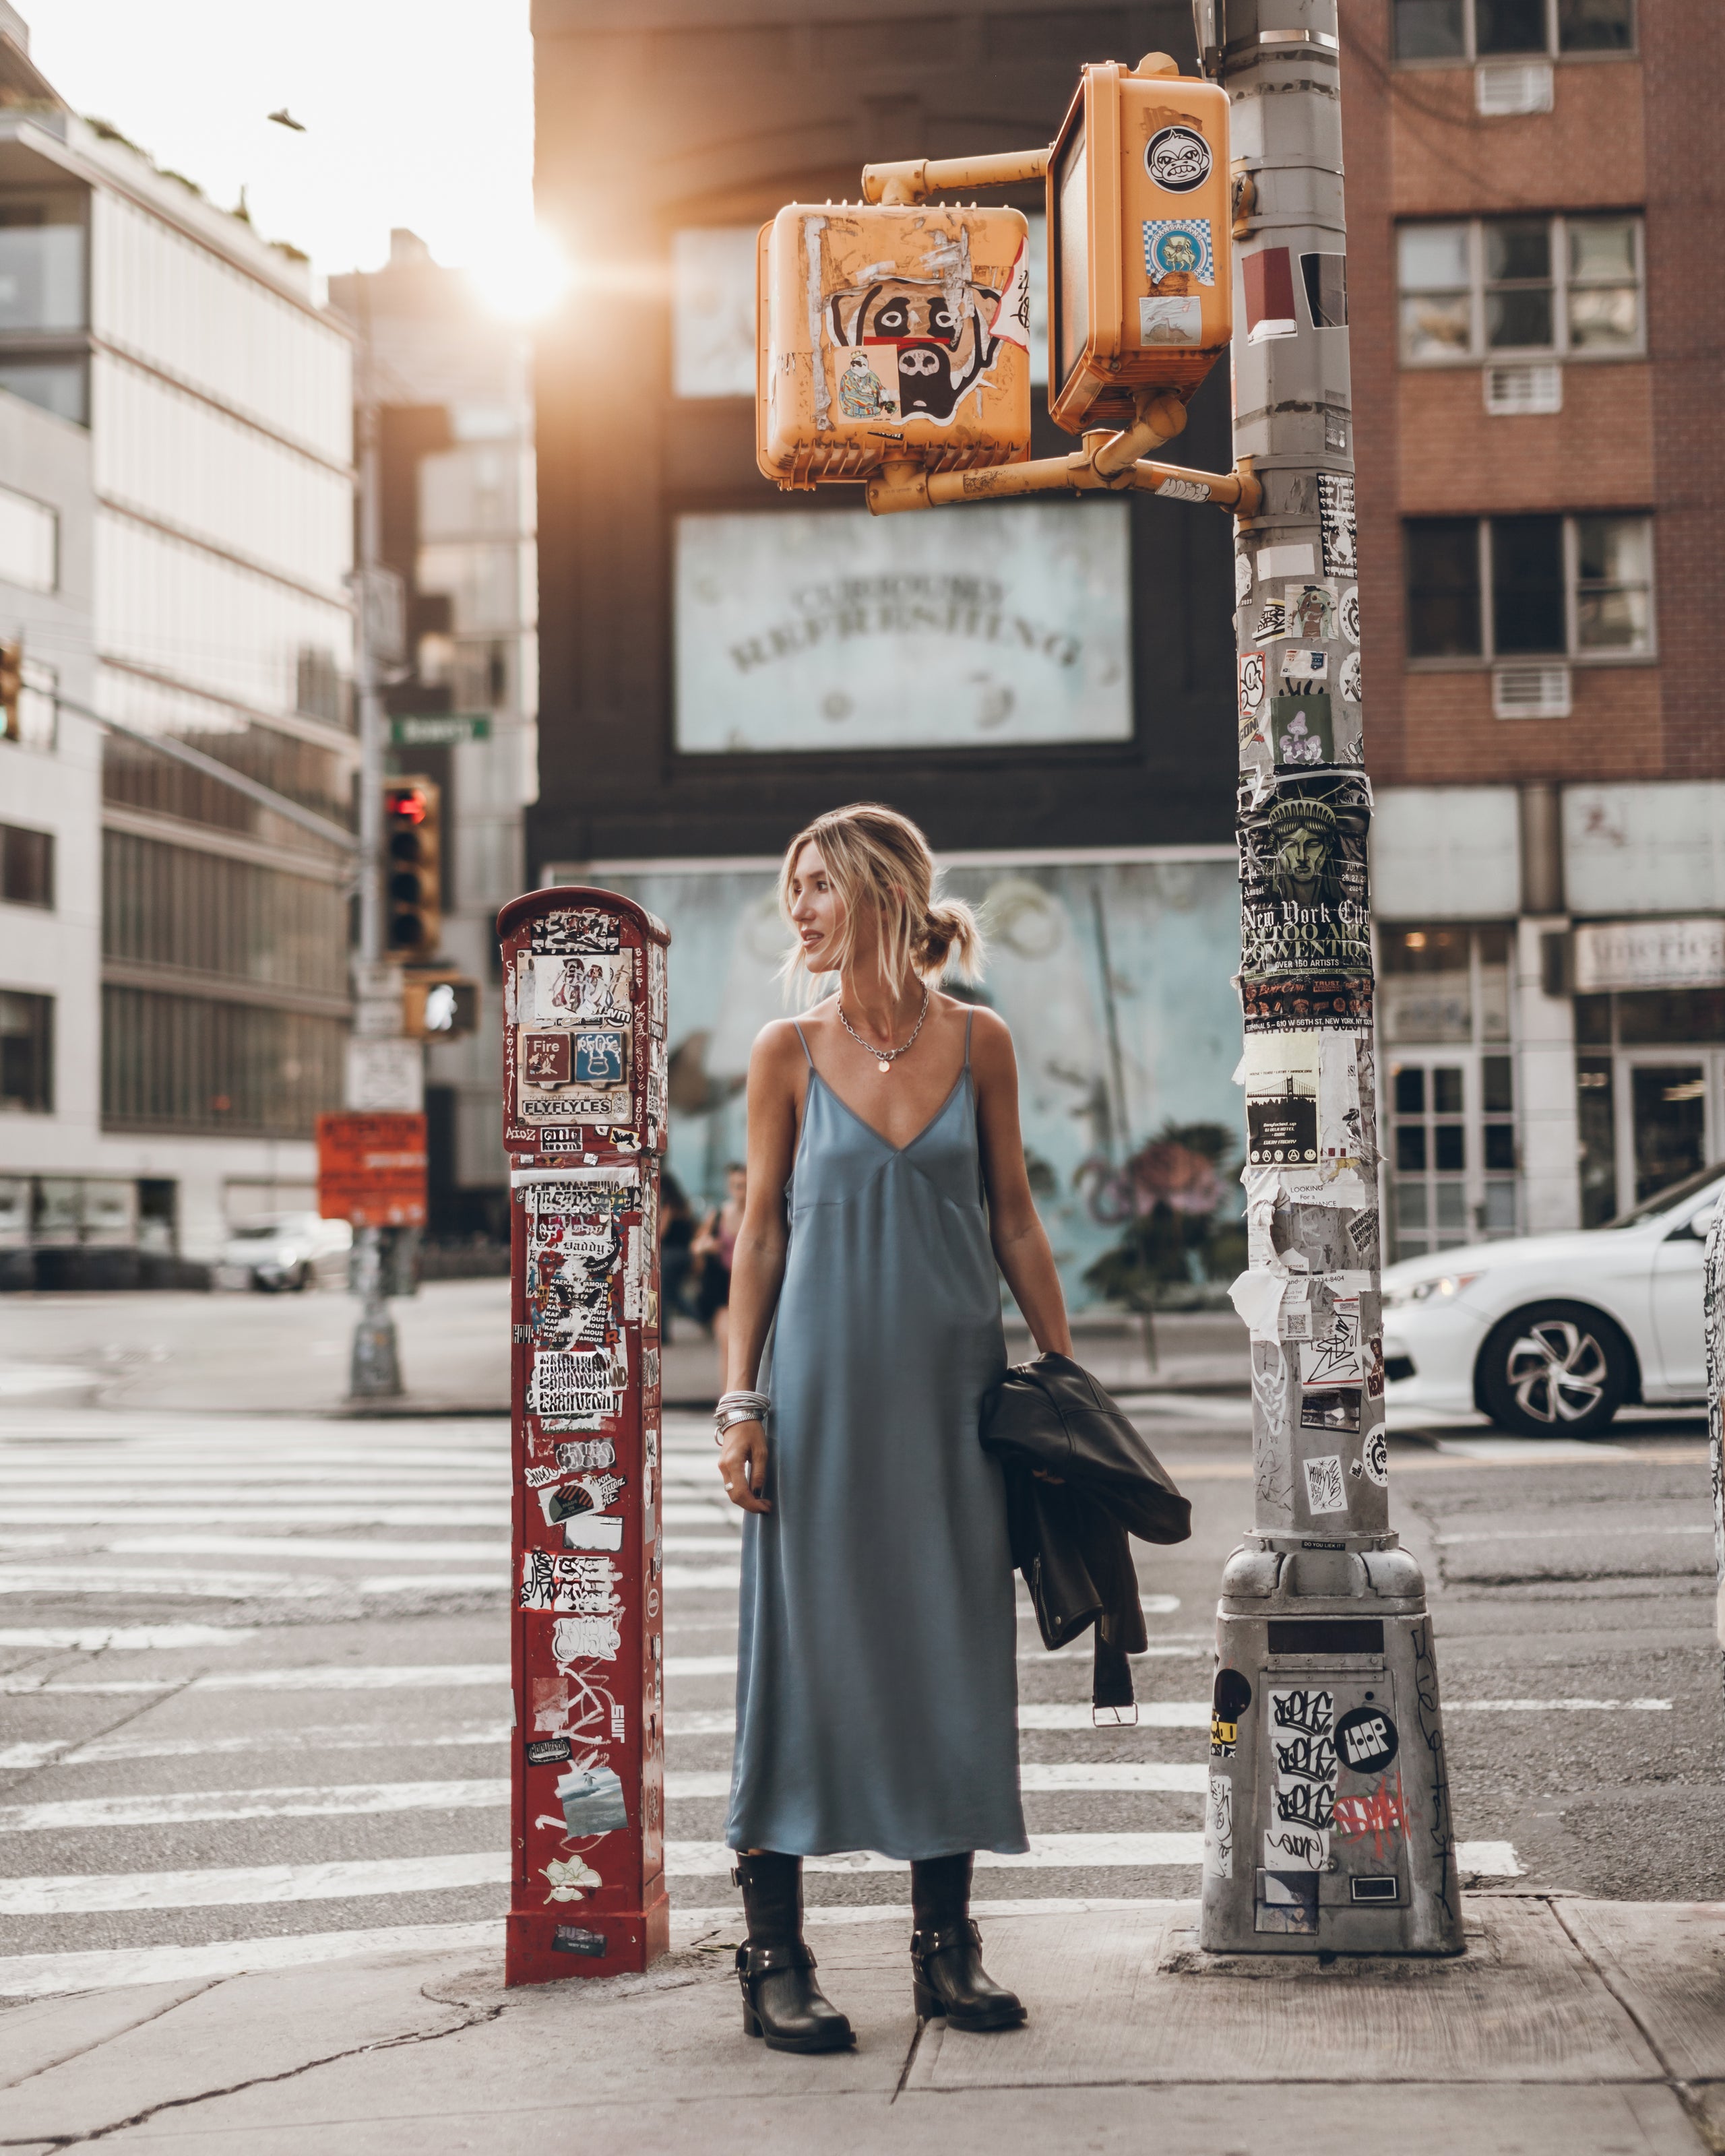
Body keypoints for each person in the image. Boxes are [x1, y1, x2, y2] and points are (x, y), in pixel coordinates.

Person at [715, 802, 1075, 2054]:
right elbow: (758, 1237)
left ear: (877, 892)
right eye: (792, 889)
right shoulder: (785, 1052)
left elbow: (1017, 1218)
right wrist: (740, 1401)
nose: (798, 910)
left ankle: (947, 1953)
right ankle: (774, 1956)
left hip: (953, 1409)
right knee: (800, 1659)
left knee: (948, 1654)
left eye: (815, 886)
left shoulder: (979, 1042)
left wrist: (1064, 1381)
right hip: (815, 1403)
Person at [692, 1163, 746, 1391]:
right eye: (735, 1186)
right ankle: (727, 1398)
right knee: (726, 1344)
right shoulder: (719, 1214)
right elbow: (696, 1246)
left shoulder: (759, 1214)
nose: (740, 1191)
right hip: (723, 1285)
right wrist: (707, 1246)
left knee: (747, 1349)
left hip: (748, 1287)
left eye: (744, 1186)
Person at [657, 1172, 696, 1343]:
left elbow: (662, 1232)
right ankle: (703, 1317)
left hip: (670, 1255)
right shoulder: (683, 1205)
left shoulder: (668, 1206)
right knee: (673, 1293)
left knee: (663, 1292)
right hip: (684, 1255)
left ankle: (663, 1334)